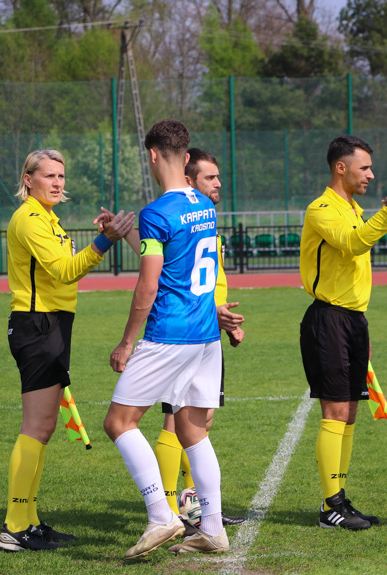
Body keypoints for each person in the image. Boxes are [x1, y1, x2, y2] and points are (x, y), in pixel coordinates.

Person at [103, 120, 229, 559]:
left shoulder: (157, 211)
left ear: (153, 155)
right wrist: (129, 235)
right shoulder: (204, 205)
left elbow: (149, 284)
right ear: (188, 156)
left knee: (119, 423)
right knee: (193, 431)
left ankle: (162, 515)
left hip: (169, 333)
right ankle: (211, 528)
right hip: (205, 335)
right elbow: (171, 253)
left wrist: (126, 341)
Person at [0, 149, 136, 552]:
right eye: (48, 176)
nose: (58, 183)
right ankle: (14, 525)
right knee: (36, 427)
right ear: (28, 180)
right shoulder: (29, 219)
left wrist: (103, 235)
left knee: (43, 429)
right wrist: (104, 242)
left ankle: (28, 520)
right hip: (37, 325)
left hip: (52, 325)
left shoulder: (48, 218)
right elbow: (64, 270)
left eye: (61, 175)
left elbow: (62, 268)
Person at [299, 135, 387, 531]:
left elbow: (359, 239)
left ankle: (339, 501)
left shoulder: (352, 208)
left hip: (352, 321)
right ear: (341, 168)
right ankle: (330, 505)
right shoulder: (321, 209)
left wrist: (384, 211)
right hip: (327, 319)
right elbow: (352, 244)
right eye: (364, 167)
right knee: (335, 412)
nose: (371, 174)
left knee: (349, 414)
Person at [153, 148, 246, 530]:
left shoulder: (205, 221)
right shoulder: (176, 218)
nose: (218, 183)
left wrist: (223, 317)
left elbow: (205, 281)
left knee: (202, 421)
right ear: (189, 180)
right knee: (176, 422)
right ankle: (171, 509)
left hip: (207, 331)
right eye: (210, 177)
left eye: (218, 176)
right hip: (182, 334)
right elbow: (172, 281)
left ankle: (196, 508)